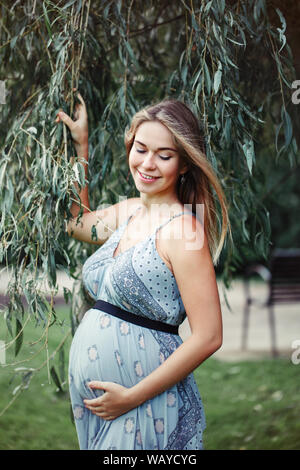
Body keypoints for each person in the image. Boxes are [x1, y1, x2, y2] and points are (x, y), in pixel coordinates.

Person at [55, 91, 231, 450]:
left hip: (145, 403)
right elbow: (76, 222)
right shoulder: (132, 210)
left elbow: (209, 335)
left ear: (184, 164)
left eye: (164, 155)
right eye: (141, 148)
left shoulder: (186, 230)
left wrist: (133, 396)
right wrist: (81, 147)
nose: (148, 163)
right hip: (105, 407)